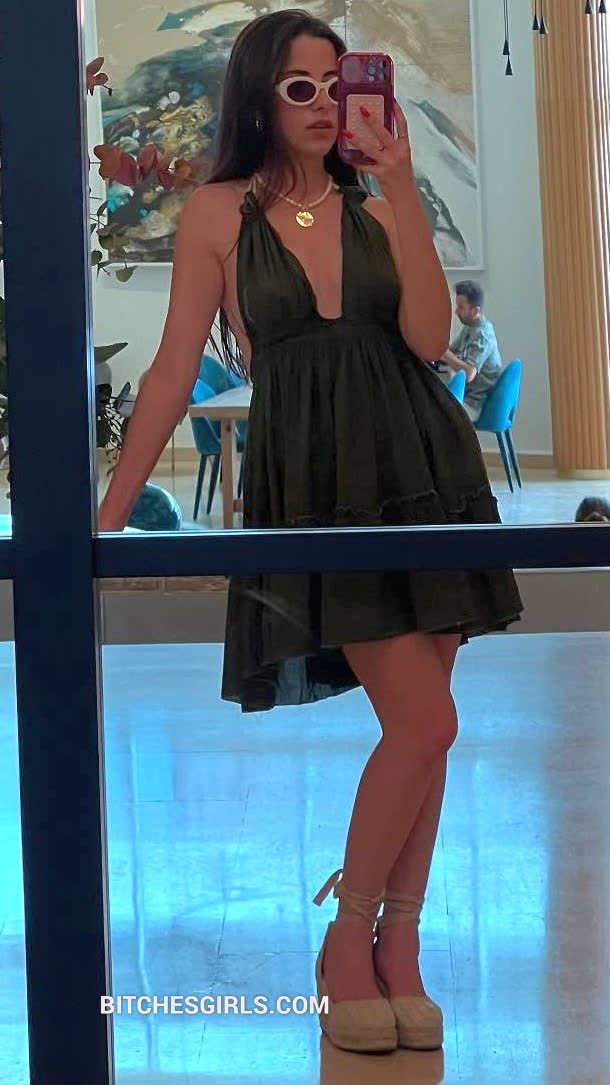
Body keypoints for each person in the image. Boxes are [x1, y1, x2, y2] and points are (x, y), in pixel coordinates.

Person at [98, 10, 523, 1056]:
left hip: (424, 467)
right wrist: (105, 515)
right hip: (320, 479)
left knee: (428, 722)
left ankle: (397, 945)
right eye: (301, 87)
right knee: (425, 722)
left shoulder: (374, 200)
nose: (326, 103)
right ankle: (347, 940)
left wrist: (403, 187)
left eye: (339, 83)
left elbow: (427, 336)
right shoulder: (217, 211)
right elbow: (172, 368)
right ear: (258, 97)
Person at [440, 280, 503, 423]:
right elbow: (452, 351)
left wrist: (444, 353)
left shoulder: (482, 336)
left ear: (476, 311)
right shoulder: (470, 327)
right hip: (467, 394)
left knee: (435, 415)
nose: (456, 312)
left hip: (477, 403)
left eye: (461, 308)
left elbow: (469, 374)